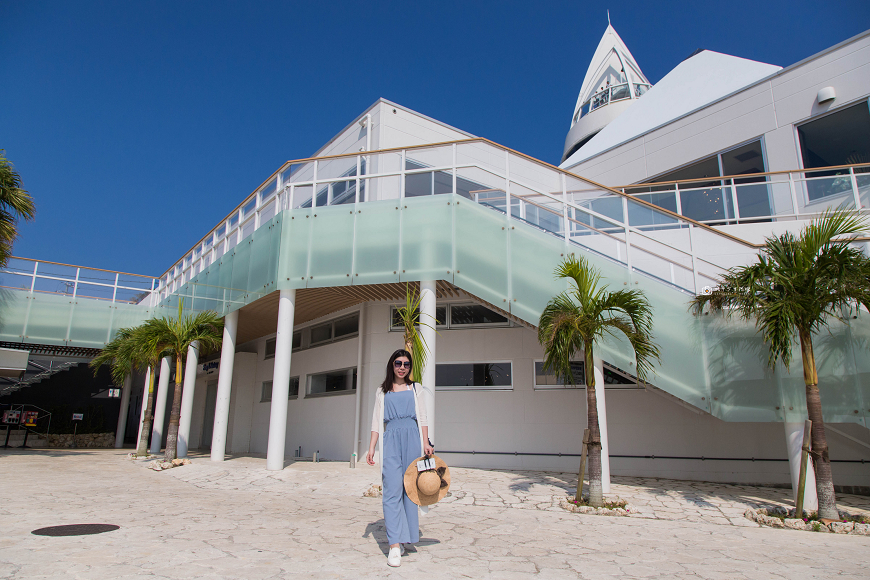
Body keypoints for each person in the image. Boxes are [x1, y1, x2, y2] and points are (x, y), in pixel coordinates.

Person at [366, 349, 434, 567]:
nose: (402, 367)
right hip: (391, 440)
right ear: (391, 365)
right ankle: (394, 544)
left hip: (412, 438)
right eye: (398, 363)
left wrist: (425, 442)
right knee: (391, 491)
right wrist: (371, 448)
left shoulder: (416, 388)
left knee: (410, 490)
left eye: (406, 364)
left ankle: (405, 538)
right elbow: (377, 421)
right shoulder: (382, 391)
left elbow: (422, 416)